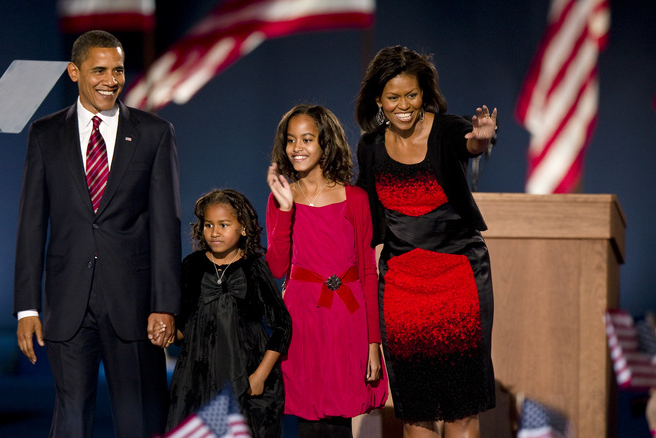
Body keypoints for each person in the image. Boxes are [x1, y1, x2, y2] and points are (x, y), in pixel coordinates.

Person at [13, 30, 181, 438]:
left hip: (134, 304)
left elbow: (166, 224)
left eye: (118, 70)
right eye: (99, 70)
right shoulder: (45, 134)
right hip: (68, 304)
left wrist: (166, 305)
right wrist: (27, 308)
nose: (111, 79)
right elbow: (32, 223)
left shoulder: (154, 133)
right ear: (74, 72)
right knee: (70, 418)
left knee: (139, 418)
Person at [353, 45, 497, 438]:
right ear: (378, 100)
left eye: (411, 95)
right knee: (416, 411)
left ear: (424, 94)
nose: (404, 105)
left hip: (460, 280)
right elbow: (362, 209)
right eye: (394, 97)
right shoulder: (370, 147)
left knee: (461, 409)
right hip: (401, 288)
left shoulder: (447, 129)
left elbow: (470, 143)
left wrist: (481, 140)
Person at [266, 104, 389, 437]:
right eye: (291, 140)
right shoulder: (281, 196)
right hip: (304, 316)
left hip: (346, 319)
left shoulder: (356, 199)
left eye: (307, 139)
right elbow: (276, 266)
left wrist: (373, 344)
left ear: (326, 144)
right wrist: (285, 210)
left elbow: (367, 271)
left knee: (339, 419)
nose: (297, 148)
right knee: (307, 419)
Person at [165, 189, 292, 438]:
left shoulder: (255, 267)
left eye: (224, 225)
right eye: (208, 225)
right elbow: (184, 326)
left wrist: (260, 376)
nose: (215, 232)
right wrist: (169, 332)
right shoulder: (192, 266)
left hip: (245, 378)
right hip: (197, 379)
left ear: (243, 228)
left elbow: (282, 326)